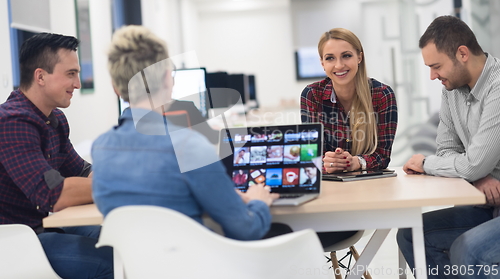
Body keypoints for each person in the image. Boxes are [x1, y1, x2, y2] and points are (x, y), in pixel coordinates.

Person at [91, 25, 278, 241]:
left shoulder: (101, 148)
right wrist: (259, 201)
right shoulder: (189, 145)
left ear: (115, 87)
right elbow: (246, 229)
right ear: (168, 80)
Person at [0, 33, 113, 278]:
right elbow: (53, 193)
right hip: (13, 241)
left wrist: (108, 176)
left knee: (119, 239)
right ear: (40, 76)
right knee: (110, 262)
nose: (78, 84)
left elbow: (81, 170)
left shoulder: (54, 119)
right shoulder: (12, 123)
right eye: (71, 74)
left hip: (39, 228)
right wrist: (116, 183)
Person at [397, 15, 500, 279]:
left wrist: (425, 163)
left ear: (462, 53)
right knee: (411, 235)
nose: (432, 76)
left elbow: (472, 163)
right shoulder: (451, 89)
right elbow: (446, 149)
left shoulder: (498, 88)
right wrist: (478, 175)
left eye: (436, 66)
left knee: (470, 250)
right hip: (486, 202)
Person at [301, 28, 398, 173]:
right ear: (322, 63)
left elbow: (382, 156)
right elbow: (310, 157)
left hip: (369, 186)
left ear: (359, 57)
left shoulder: (382, 95)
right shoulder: (312, 95)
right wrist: (329, 163)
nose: (339, 65)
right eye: (330, 58)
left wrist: (357, 162)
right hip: (330, 185)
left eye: (346, 56)